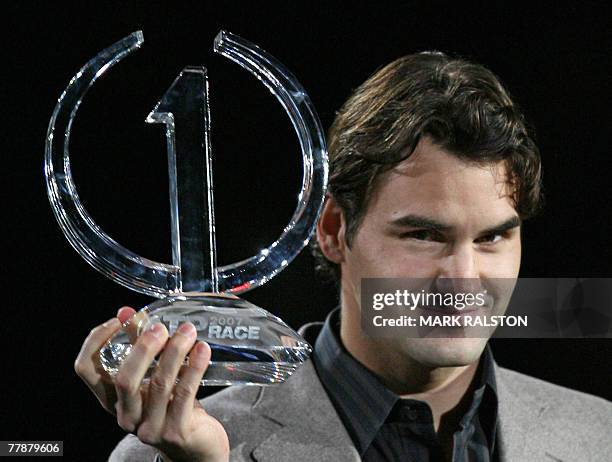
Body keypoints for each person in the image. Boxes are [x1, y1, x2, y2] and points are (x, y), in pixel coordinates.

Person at [75, 52, 612, 462]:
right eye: (424, 236)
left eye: (493, 238)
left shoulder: (598, 434)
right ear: (333, 230)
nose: (465, 279)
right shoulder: (172, 453)